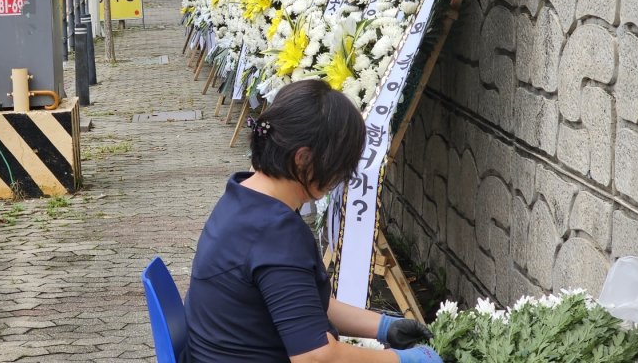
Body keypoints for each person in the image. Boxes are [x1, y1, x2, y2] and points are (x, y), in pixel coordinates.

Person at [183, 79, 443, 362]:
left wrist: (382, 327)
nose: (342, 177)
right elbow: (315, 357)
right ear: (303, 158)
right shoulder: (276, 234)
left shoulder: (243, 196)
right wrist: (403, 360)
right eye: (340, 163)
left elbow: (300, 308)